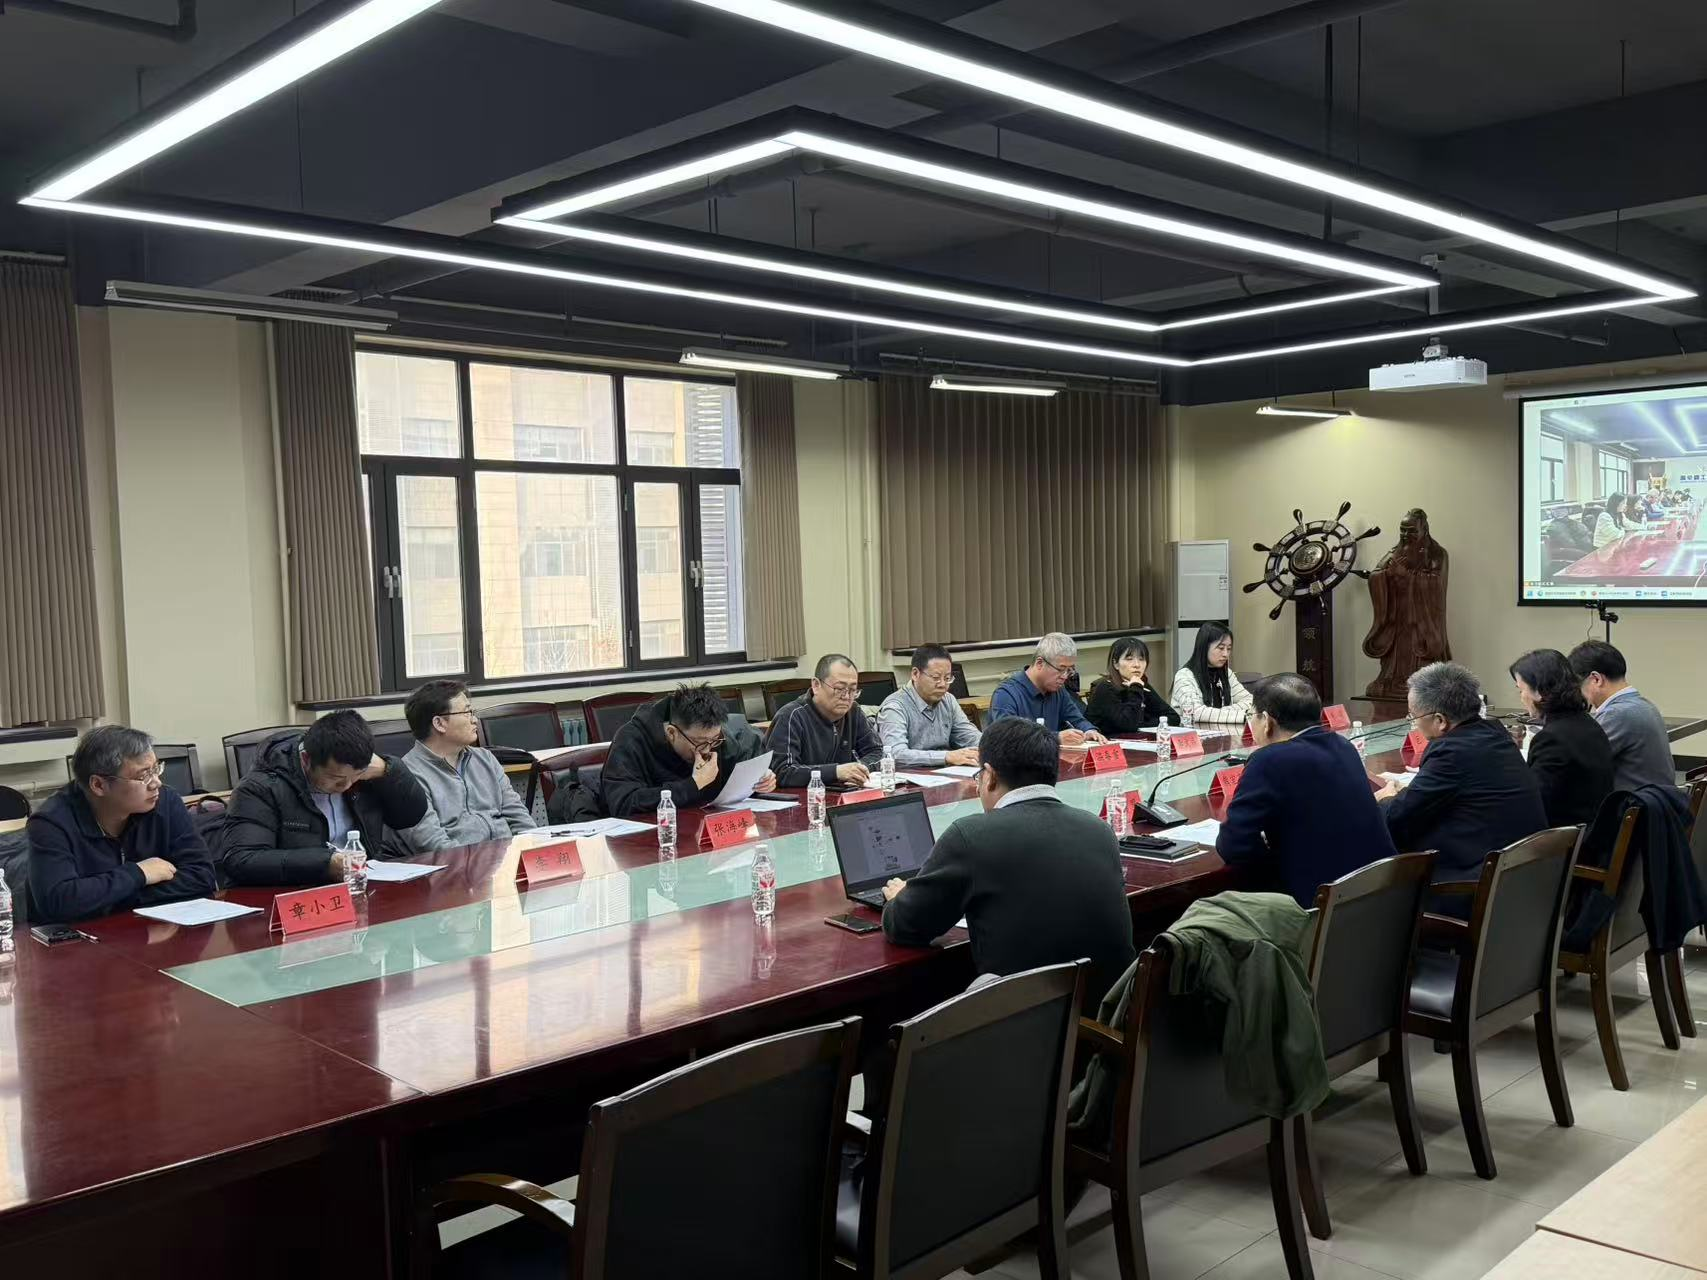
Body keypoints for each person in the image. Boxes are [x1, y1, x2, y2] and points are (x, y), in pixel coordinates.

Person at [880, 717, 1135, 1005]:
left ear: (989, 775)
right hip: (1107, 1011)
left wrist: (900, 899)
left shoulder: (971, 835)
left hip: (1030, 1020)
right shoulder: (1098, 829)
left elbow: (907, 926)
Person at [1215, 674, 1398, 907]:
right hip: (1383, 901)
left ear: (1267, 721)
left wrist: (1275, 868)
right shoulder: (1344, 746)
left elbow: (1234, 844)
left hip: (1322, 909)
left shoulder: (1268, 760)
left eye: (1252, 715)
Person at [1374, 661, 1546, 891]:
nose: (1413, 724)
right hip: (1520, 877)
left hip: (1476, 886)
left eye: (1413, 717)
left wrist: (1385, 798)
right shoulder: (1495, 734)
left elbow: (1397, 817)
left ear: (1440, 721)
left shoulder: (1451, 752)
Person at [26, 725, 218, 923]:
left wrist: (115, 897)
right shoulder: (51, 822)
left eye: (156, 769)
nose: (156, 783)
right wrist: (138, 874)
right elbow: (59, 901)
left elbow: (202, 875)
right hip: (78, 938)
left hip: (148, 929)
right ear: (99, 785)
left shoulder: (166, 801)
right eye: (143, 776)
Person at [218, 710, 430, 886]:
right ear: (306, 759)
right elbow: (242, 859)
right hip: (294, 895)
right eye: (336, 778)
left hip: (360, 884)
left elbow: (409, 817)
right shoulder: (261, 787)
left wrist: (389, 771)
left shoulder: (364, 771)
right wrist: (325, 864)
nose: (346, 785)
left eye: (356, 776)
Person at [396, 681, 536, 852]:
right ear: (439, 723)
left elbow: (519, 817)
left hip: (509, 858)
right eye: (467, 712)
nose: (474, 719)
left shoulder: (485, 759)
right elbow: (434, 846)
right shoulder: (407, 777)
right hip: (459, 865)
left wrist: (531, 850)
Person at [601, 683, 778, 816]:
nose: (707, 750)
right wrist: (693, 785)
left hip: (707, 826)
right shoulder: (632, 740)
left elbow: (737, 774)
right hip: (653, 838)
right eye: (700, 743)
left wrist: (759, 780)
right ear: (672, 733)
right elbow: (623, 803)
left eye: (714, 740)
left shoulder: (717, 737)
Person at [1509, 649, 1614, 829]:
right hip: (1595, 830)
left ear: (1539, 692)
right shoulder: (1588, 724)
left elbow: (1534, 804)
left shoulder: (1552, 738)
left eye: (1521, 690)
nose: (1521, 698)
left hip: (1567, 839)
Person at [1568, 640, 1675, 792]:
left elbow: (1576, 762)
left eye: (1578, 686)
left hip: (1633, 804)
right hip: (1655, 800)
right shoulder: (1644, 705)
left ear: (1596, 679)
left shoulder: (1617, 714)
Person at [768, 654, 884, 789]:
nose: (846, 697)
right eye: (839, 689)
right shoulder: (791, 716)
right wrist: (836, 772)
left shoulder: (853, 711)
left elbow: (877, 752)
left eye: (853, 690)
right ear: (816, 685)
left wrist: (858, 770)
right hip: (804, 797)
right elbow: (783, 771)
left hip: (843, 793)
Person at [987, 633, 1106, 744]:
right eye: (1061, 669)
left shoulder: (1059, 691)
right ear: (1040, 663)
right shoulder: (1006, 694)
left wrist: (1089, 730)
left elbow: (1077, 719)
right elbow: (1009, 738)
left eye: (1069, 670)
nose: (1065, 676)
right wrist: (1056, 738)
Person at [875, 644, 980, 769]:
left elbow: (969, 737)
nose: (943, 684)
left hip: (946, 773)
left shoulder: (948, 700)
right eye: (936, 678)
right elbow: (895, 754)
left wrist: (991, 746)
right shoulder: (895, 707)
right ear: (915, 674)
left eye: (947, 678)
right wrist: (946, 756)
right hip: (909, 776)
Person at [1085, 635, 1180, 737]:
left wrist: (1140, 725)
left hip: (1135, 741)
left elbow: (1173, 717)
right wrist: (1136, 688)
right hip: (1107, 744)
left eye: (1141, 659)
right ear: (1116, 663)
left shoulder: (1139, 684)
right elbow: (1128, 725)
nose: (1137, 665)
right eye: (1129, 659)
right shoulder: (1105, 687)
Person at [1169, 622, 1254, 727]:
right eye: (1221, 648)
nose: (1225, 654)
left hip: (1223, 733)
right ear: (1204, 647)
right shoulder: (1185, 676)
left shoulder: (1227, 673)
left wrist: (1222, 712)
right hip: (1193, 735)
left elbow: (1250, 702)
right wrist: (1238, 714)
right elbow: (1196, 713)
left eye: (1229, 649)